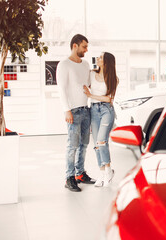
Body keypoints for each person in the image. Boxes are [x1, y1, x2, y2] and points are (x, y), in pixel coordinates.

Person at [57, 34, 95, 192]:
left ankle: (80, 174)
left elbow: (89, 85)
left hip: (86, 109)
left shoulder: (85, 64)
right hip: (72, 110)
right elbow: (61, 89)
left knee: (84, 145)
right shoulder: (64, 65)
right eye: (84, 46)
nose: (86, 49)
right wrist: (66, 110)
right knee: (72, 146)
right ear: (75, 46)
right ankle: (69, 177)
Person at [83, 52, 118, 187]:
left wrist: (91, 95)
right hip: (93, 110)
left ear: (107, 62)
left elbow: (109, 98)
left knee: (101, 140)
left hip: (106, 110)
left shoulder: (114, 78)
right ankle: (102, 173)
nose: (98, 58)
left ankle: (108, 171)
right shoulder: (91, 74)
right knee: (97, 144)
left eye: (101, 57)